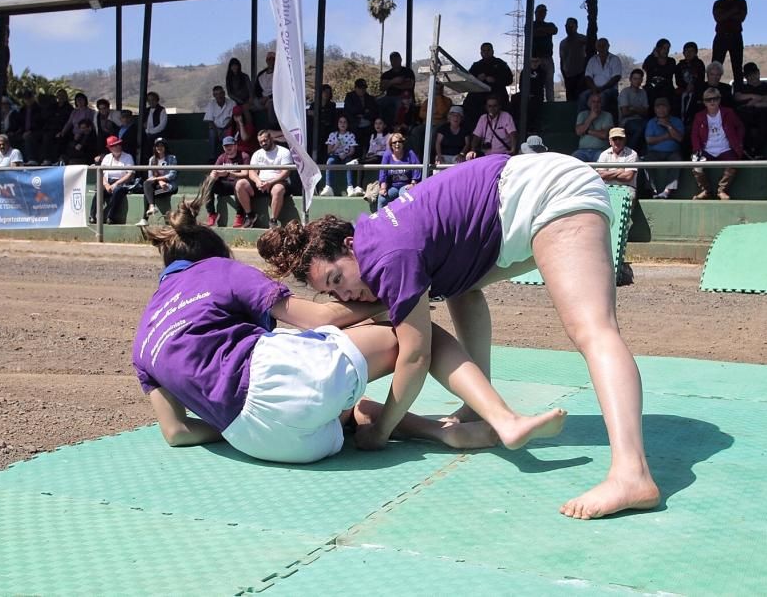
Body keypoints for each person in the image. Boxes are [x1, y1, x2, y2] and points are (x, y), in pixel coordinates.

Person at [257, 152, 661, 520]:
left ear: (349, 246)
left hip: (550, 191)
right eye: (334, 292)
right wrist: (476, 407)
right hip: (531, 191)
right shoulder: (381, 239)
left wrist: (381, 432)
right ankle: (484, 411)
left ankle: (632, 472)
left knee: (592, 329)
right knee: (462, 291)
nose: (346, 294)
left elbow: (416, 357)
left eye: (338, 279)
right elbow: (463, 293)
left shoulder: (387, 256)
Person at [135, 185, 567, 465]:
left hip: (270, 445)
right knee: (416, 334)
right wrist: (400, 300)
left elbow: (176, 434)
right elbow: (320, 317)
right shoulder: (216, 270)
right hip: (284, 389)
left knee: (350, 408)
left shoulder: (142, 339)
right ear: (212, 253)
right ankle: (501, 418)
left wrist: (233, 423)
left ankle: (440, 432)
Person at [691, 87, 744, 200]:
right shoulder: (699, 116)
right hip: (707, 150)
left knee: (733, 163)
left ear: (719, 100)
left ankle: (722, 190)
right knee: (696, 166)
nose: (712, 102)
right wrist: (697, 149)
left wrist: (737, 142)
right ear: (704, 102)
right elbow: (694, 134)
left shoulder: (728, 112)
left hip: (725, 148)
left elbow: (739, 127)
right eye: (708, 100)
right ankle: (705, 190)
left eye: (715, 99)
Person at [236, 130, 294, 228]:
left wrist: (270, 183)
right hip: (261, 184)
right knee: (240, 184)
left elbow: (286, 172)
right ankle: (250, 216)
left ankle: (273, 221)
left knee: (278, 189)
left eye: (265, 140)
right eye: (260, 142)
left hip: (278, 182)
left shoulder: (284, 152)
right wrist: (258, 181)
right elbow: (251, 172)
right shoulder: (257, 153)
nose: (263, 143)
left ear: (271, 138)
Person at [463, 43, 513, 129]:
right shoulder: (476, 65)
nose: (486, 52)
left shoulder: (500, 64)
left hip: (497, 95)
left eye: (488, 50)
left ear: (492, 51)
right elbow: (468, 81)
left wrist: (495, 80)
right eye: (483, 51)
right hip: (479, 98)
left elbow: (509, 80)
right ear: (481, 53)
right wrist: (477, 79)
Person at [733, 62, 767, 159]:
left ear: (758, 73)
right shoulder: (742, 88)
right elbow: (738, 97)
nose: (752, 77)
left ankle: (755, 151)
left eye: (754, 73)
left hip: (765, 115)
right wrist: (755, 97)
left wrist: (755, 102)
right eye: (748, 75)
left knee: (766, 119)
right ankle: (747, 151)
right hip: (748, 115)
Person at [90, 136, 137, 225]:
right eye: (115, 145)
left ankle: (110, 217)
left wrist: (116, 183)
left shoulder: (128, 157)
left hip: (122, 183)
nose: (118, 146)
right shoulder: (107, 157)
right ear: (110, 148)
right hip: (107, 182)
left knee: (117, 191)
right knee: (99, 191)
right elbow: (101, 173)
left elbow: (130, 174)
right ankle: (92, 216)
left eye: (118, 144)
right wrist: (106, 184)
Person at [644, 98, 685, 199]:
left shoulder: (676, 121)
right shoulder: (651, 122)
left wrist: (668, 126)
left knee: (678, 160)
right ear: (654, 109)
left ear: (669, 108)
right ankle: (653, 191)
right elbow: (649, 140)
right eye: (658, 107)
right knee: (646, 161)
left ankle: (667, 191)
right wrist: (667, 136)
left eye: (663, 107)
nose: (661, 110)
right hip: (654, 153)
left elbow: (679, 138)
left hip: (672, 152)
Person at [205, 135, 249, 228]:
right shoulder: (222, 157)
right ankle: (212, 214)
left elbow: (246, 173)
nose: (228, 148)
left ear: (235, 146)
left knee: (238, 184)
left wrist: (228, 173)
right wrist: (214, 176)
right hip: (225, 185)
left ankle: (240, 215)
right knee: (209, 183)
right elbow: (214, 170)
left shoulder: (244, 156)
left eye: (230, 145)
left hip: (238, 184)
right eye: (226, 146)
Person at [711, 0, 747, 85]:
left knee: (737, 67)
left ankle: (739, 91)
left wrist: (726, 14)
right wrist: (733, 12)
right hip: (721, 36)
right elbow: (718, 18)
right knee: (715, 66)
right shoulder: (718, 3)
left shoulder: (741, 2)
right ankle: (712, 89)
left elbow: (741, 18)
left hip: (736, 36)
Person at [137, 137, 179, 226]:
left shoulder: (171, 158)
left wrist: (158, 179)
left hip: (169, 187)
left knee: (148, 193)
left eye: (161, 146)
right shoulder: (152, 159)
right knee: (147, 184)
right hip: (159, 186)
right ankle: (152, 207)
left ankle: (145, 218)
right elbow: (150, 177)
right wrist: (159, 181)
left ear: (165, 147)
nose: (159, 148)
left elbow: (172, 175)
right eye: (157, 146)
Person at [378, 133, 420, 208]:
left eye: (399, 142)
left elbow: (416, 168)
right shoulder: (387, 155)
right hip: (393, 186)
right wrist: (383, 188)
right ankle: (380, 219)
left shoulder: (410, 153)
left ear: (403, 143)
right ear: (391, 145)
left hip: (406, 185)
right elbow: (383, 172)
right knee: (382, 199)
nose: (397, 144)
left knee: (403, 196)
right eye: (394, 142)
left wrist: (413, 184)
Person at [579, 38, 621, 113]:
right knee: (583, 96)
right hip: (594, 88)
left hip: (610, 90)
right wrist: (594, 88)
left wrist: (603, 88)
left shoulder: (615, 59)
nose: (601, 47)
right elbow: (588, 76)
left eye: (603, 45)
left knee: (602, 96)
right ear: (596, 47)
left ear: (608, 46)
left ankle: (601, 120)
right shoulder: (592, 60)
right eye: (599, 46)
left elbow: (616, 77)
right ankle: (583, 120)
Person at [321, 115, 360, 197]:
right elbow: (329, 151)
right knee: (330, 161)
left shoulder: (351, 135)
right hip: (335, 155)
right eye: (340, 122)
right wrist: (336, 146)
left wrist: (346, 154)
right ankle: (328, 187)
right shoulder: (333, 134)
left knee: (349, 163)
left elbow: (352, 150)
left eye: (345, 122)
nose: (343, 124)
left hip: (346, 155)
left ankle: (350, 187)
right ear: (337, 124)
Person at [573, 91, 614, 162]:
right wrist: (591, 117)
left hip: (601, 151)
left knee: (603, 162)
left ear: (602, 104)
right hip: (582, 151)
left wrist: (587, 131)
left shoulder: (607, 115)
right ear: (589, 104)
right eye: (593, 102)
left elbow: (604, 135)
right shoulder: (582, 115)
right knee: (574, 161)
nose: (596, 104)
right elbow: (579, 131)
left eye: (598, 102)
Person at [377, 52, 416, 126]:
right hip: (388, 97)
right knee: (376, 102)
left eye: (396, 59)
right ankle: (380, 125)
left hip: (404, 97)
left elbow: (409, 85)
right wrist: (394, 81)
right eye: (392, 59)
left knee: (400, 104)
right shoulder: (386, 74)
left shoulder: (408, 72)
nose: (394, 61)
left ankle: (397, 127)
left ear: (401, 59)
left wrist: (390, 83)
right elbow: (381, 88)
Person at [618, 69, 649, 153]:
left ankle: (645, 155)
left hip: (641, 120)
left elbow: (646, 112)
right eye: (635, 79)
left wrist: (633, 108)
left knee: (650, 127)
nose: (637, 81)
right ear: (630, 79)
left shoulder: (643, 93)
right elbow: (625, 112)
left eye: (639, 79)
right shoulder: (625, 92)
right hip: (626, 121)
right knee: (639, 129)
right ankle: (629, 153)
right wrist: (639, 109)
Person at [597, 127, 638, 191]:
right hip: (607, 188)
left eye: (620, 138)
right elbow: (601, 175)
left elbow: (628, 177)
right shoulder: (604, 154)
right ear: (610, 141)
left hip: (627, 188)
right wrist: (619, 171)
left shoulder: (632, 154)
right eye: (614, 139)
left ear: (625, 140)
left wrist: (608, 175)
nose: (617, 141)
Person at [531, 4, 558, 102]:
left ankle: (550, 103)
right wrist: (544, 32)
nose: (542, 14)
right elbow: (531, 32)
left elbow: (555, 30)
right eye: (540, 12)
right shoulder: (530, 24)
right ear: (536, 13)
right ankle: (536, 101)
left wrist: (540, 31)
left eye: (544, 12)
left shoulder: (549, 24)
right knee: (535, 82)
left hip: (547, 57)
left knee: (549, 83)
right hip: (534, 59)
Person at [203, 85, 236, 162]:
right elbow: (210, 120)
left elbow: (233, 119)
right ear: (214, 95)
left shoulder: (232, 103)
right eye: (216, 94)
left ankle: (230, 158)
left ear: (224, 93)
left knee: (229, 134)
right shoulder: (211, 104)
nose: (219, 96)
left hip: (228, 127)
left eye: (221, 93)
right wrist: (217, 130)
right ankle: (212, 158)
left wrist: (224, 129)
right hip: (215, 128)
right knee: (212, 133)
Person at [344, 78, 379, 148]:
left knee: (369, 139)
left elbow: (373, 111)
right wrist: (364, 110)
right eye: (360, 88)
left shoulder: (370, 98)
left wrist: (363, 114)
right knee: (356, 142)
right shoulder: (350, 96)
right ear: (355, 88)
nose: (362, 90)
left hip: (368, 123)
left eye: (364, 88)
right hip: (355, 123)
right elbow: (351, 110)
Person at [559, 17, 588, 102]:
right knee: (570, 101)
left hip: (581, 75)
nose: (569, 28)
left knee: (581, 99)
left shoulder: (582, 39)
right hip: (568, 76)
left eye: (571, 26)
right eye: (567, 26)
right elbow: (562, 60)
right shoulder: (562, 43)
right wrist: (564, 74)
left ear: (576, 27)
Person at [674, 42, 705, 120]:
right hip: (683, 88)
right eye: (686, 51)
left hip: (696, 89)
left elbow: (701, 78)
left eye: (691, 51)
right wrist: (686, 86)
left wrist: (693, 86)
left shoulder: (699, 64)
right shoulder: (679, 66)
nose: (689, 53)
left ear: (695, 53)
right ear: (683, 53)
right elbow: (678, 80)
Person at [642, 38, 676, 108]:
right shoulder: (650, 59)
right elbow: (645, 67)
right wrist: (653, 56)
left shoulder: (671, 61)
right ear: (658, 48)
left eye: (668, 48)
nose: (666, 51)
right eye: (664, 48)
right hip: (652, 92)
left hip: (667, 91)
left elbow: (667, 73)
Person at [359, 117, 389, 190]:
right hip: (373, 157)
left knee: (376, 157)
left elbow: (388, 151)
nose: (377, 125)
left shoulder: (388, 135)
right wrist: (369, 154)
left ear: (384, 125)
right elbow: (370, 150)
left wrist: (378, 150)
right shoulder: (373, 136)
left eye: (380, 123)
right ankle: (359, 186)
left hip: (382, 157)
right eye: (376, 123)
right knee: (361, 164)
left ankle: (358, 161)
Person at [225, 57, 255, 126]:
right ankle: (237, 132)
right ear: (230, 67)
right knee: (235, 111)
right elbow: (229, 93)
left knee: (245, 108)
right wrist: (239, 101)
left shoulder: (245, 76)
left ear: (239, 66)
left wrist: (250, 99)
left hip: (247, 100)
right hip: (236, 102)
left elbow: (250, 89)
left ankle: (250, 129)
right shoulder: (228, 79)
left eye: (236, 65)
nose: (234, 67)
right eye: (232, 65)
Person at [143, 91, 168, 164]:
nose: (151, 102)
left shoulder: (161, 110)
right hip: (147, 136)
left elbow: (162, 125)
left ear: (157, 100)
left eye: (153, 99)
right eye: (149, 100)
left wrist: (152, 132)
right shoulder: (146, 111)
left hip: (158, 135)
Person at [254, 51, 277, 128]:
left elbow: (281, 90)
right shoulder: (261, 74)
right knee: (248, 106)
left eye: (273, 59)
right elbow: (256, 89)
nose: (271, 61)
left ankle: (272, 128)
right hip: (262, 99)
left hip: (274, 99)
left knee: (270, 105)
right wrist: (260, 98)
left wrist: (268, 98)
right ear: (266, 61)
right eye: (269, 59)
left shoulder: (280, 73)